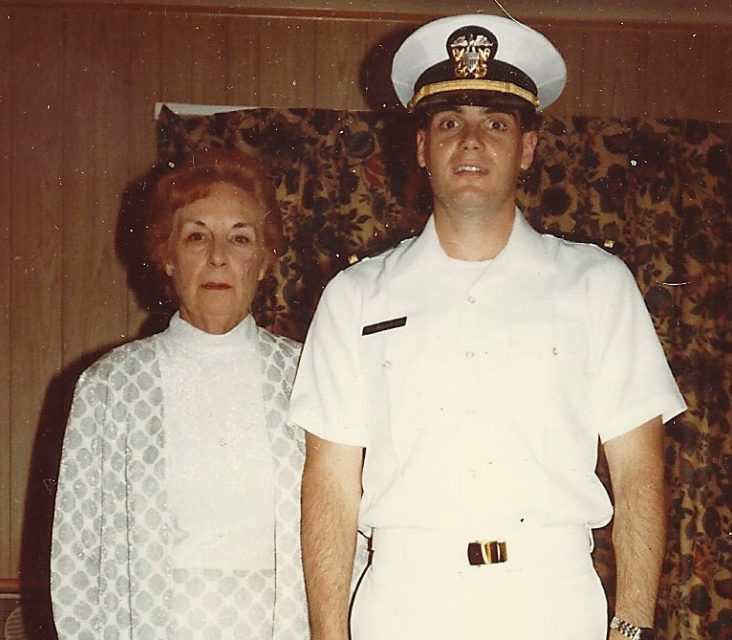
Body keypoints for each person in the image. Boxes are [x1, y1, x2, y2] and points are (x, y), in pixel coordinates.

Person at [290, 14, 687, 640]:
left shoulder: (597, 285)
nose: (471, 142)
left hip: (551, 600)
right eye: (450, 123)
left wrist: (633, 624)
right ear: (422, 147)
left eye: (495, 124)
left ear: (527, 148)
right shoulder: (356, 297)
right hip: (402, 601)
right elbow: (331, 484)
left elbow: (639, 466)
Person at [50, 148, 309, 639]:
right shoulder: (110, 387)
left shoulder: (308, 376)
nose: (217, 256)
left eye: (239, 238)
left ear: (262, 262)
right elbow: (74, 559)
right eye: (196, 237)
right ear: (166, 258)